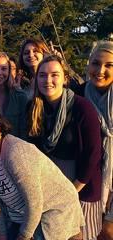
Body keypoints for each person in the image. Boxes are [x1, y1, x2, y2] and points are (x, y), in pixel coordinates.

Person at [0, 105, 84, 239]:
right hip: (22, 215)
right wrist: (1, 233)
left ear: (0, 127)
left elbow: (35, 202)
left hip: (54, 212)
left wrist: (24, 236)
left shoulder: (16, 153)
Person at [28, 55, 103, 240]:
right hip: (50, 186)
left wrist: (72, 189)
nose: (48, 80)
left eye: (55, 74)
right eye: (43, 75)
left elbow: (93, 153)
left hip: (81, 185)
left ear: (64, 78)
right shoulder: (35, 108)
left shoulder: (82, 107)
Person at [79, 41, 113, 239]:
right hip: (90, 187)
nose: (100, 70)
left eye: (109, 65)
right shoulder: (80, 95)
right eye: (96, 63)